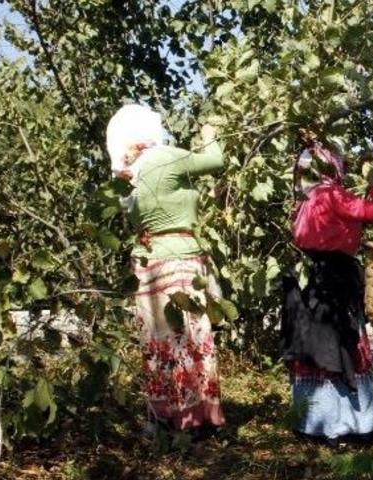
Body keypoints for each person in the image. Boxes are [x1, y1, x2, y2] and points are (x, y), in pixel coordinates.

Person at [106, 104, 226, 436]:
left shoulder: (127, 176)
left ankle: (166, 417)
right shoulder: (164, 157)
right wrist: (209, 135)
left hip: (146, 264)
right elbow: (216, 160)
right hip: (181, 260)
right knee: (190, 335)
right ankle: (197, 418)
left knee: (158, 341)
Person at [280, 141, 373, 446]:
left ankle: (314, 424)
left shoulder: (304, 201)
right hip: (336, 279)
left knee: (318, 347)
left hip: (312, 280)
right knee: (343, 344)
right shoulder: (330, 194)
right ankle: (350, 425)